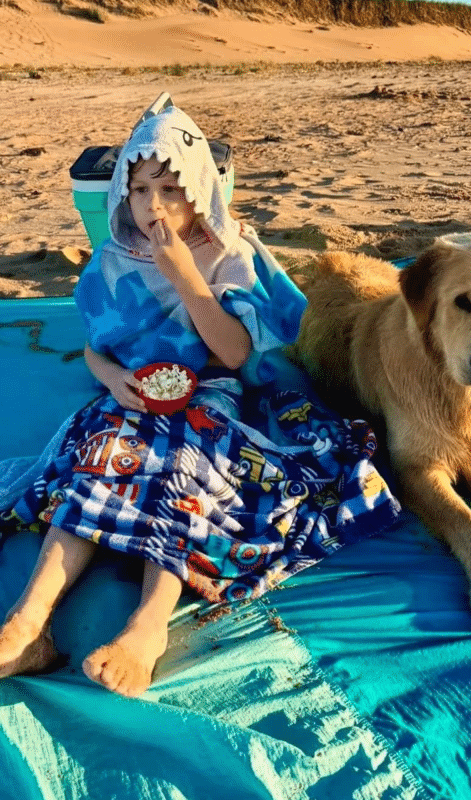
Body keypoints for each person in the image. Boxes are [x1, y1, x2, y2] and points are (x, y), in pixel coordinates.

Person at [0, 104, 400, 697]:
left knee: (183, 469)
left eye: (169, 188)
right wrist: (112, 380)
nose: (153, 205)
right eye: (139, 189)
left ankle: (148, 628)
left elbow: (236, 352)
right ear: (121, 194)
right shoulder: (116, 259)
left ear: (199, 192)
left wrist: (185, 274)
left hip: (208, 390)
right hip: (135, 390)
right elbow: (95, 347)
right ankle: (29, 624)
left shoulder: (226, 251)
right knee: (103, 454)